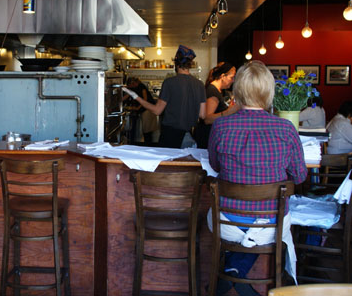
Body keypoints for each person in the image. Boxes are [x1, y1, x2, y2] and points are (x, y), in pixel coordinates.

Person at [208, 61, 307, 296]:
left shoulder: (221, 126)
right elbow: (300, 175)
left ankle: (233, 272)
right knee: (264, 225)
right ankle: (238, 276)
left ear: (238, 91)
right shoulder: (285, 129)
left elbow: (215, 165)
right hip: (271, 225)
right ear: (268, 91)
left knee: (232, 225)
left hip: (226, 224)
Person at [122, 45, 206, 148]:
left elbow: (157, 111)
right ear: (190, 64)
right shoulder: (199, 84)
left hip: (170, 136)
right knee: (186, 163)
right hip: (190, 135)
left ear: (176, 63)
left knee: (168, 164)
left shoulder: (169, 82)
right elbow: (202, 115)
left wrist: (136, 97)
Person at [194, 62, 239, 148]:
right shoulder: (212, 91)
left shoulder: (220, 91)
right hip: (207, 136)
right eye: (231, 77)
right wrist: (229, 111)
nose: (233, 81)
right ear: (222, 76)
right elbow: (207, 119)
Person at [123, 77, 159, 144]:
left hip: (148, 110)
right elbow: (127, 95)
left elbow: (145, 100)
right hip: (144, 110)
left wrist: (137, 108)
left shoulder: (142, 87)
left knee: (147, 130)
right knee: (146, 130)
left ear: (133, 83)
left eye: (129, 85)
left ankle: (148, 145)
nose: (129, 87)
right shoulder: (133, 88)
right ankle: (147, 144)